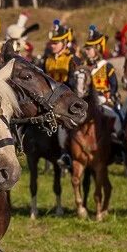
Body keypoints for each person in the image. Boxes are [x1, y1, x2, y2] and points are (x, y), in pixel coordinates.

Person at [41, 20, 80, 165]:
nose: (52, 45)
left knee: (63, 125)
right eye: (51, 42)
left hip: (66, 99)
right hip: (47, 99)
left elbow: (74, 84)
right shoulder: (47, 59)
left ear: (64, 42)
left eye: (56, 43)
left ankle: (65, 153)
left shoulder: (72, 59)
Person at [81, 25, 122, 140]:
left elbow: (114, 86)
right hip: (86, 102)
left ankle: (119, 142)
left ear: (97, 48)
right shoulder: (83, 67)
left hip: (104, 100)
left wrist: (106, 96)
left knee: (117, 118)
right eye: (86, 49)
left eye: (89, 49)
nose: (86, 51)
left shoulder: (107, 66)